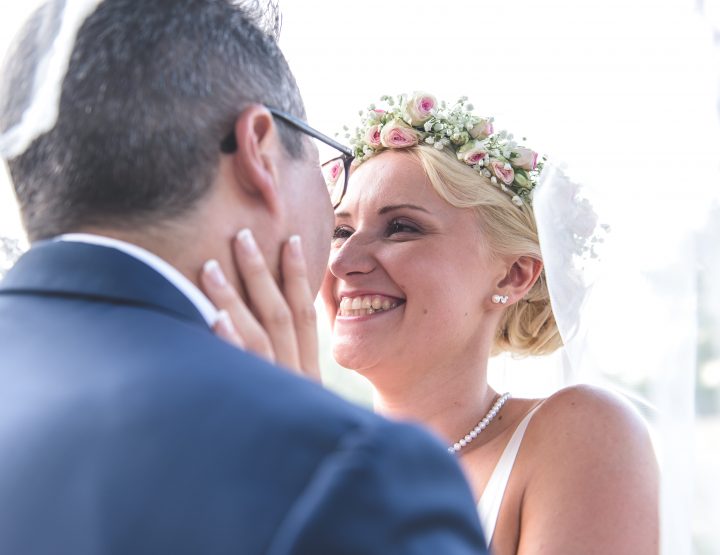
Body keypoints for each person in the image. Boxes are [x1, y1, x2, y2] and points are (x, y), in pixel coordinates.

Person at [0, 2, 489, 554]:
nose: (341, 254)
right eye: (326, 167)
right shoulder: (344, 472)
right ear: (258, 150)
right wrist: (299, 433)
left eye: (399, 227)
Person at [205, 93, 660, 554]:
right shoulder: (287, 452)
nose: (343, 262)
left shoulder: (582, 433)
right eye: (341, 231)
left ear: (513, 273)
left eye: (402, 227)